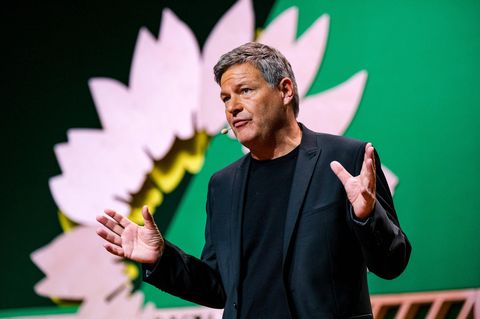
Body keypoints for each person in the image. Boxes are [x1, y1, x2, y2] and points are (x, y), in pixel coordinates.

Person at [96, 42, 411, 318]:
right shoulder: (223, 184)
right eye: (225, 98)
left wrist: (367, 216)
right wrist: (161, 258)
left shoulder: (346, 158)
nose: (232, 106)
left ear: (285, 90)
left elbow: (392, 263)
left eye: (245, 91)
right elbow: (219, 288)